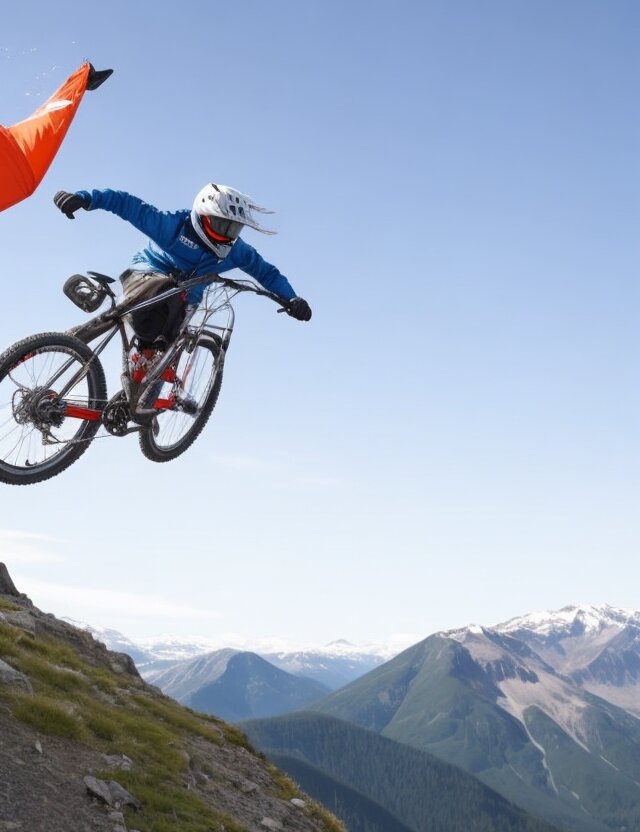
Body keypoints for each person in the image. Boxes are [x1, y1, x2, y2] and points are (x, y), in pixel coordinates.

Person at [52, 184, 312, 355]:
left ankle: (143, 401)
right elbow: (126, 204)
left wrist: (292, 298)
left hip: (184, 300)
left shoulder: (236, 251)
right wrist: (86, 199)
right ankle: (73, 338)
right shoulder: (173, 226)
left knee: (165, 351)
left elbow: (266, 272)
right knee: (166, 288)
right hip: (147, 276)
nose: (226, 236)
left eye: (233, 228)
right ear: (203, 216)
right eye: (221, 225)